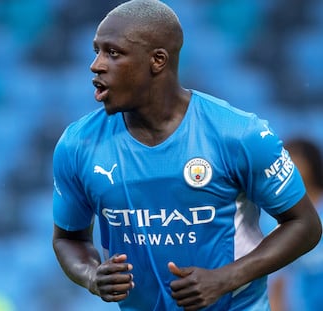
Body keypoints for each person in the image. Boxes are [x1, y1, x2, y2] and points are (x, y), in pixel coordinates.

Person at [51, 1, 322, 310]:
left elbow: (305, 225)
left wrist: (225, 278)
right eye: (97, 51)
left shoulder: (238, 134)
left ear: (157, 60)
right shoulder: (78, 144)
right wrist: (91, 275)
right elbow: (68, 238)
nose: (96, 65)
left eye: (113, 53)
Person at [265, 138, 323, 311]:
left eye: (292, 158)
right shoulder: (275, 217)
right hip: (303, 303)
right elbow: (278, 275)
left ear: (311, 163)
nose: (287, 165)